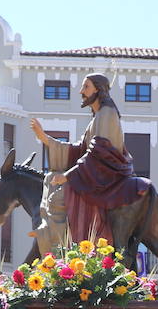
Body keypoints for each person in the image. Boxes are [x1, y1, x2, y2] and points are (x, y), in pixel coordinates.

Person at [29, 73, 150, 250]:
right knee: (49, 179)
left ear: (98, 90)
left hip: (106, 175)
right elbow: (80, 150)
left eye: (86, 87)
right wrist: (46, 139)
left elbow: (98, 152)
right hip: (95, 170)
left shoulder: (107, 113)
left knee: (59, 196)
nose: (81, 91)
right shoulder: (98, 116)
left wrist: (68, 176)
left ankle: (61, 246)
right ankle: (51, 235)